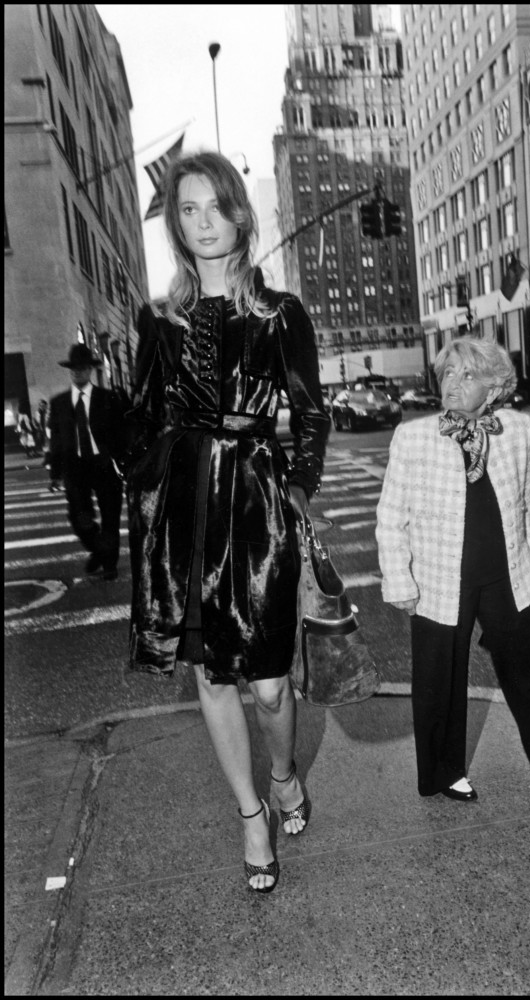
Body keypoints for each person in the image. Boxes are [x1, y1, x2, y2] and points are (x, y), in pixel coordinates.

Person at [124, 151, 330, 893]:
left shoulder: (279, 313)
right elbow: (145, 417)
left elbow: (310, 414)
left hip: (256, 506)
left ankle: (282, 774)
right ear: (175, 226)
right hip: (184, 511)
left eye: (214, 205)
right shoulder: (159, 320)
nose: (203, 221)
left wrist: (298, 487)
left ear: (240, 214)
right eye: (188, 209)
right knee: (211, 675)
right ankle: (250, 815)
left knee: (270, 685)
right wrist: (133, 469)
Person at [376, 336, 530, 831]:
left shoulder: (516, 429)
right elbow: (391, 516)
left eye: (467, 374)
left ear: (494, 388)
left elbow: (524, 503)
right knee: (437, 683)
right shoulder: (413, 437)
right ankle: (443, 773)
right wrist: (399, 579)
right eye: (448, 373)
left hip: (507, 577)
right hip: (437, 579)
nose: (453, 383)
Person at [48, 344, 127, 580]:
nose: (77, 372)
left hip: (103, 465)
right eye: (73, 368)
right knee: (79, 517)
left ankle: (109, 564)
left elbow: (121, 434)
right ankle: (99, 550)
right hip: (75, 467)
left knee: (110, 516)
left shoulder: (108, 398)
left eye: (82, 368)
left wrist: (123, 462)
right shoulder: (59, 403)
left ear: (90, 370)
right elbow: (56, 440)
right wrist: (55, 474)